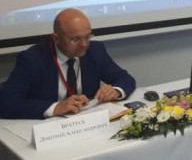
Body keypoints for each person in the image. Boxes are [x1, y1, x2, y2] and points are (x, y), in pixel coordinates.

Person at [0, 8, 136, 119]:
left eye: (88, 37)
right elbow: (5, 103)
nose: (84, 44)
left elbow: (126, 79)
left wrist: (116, 91)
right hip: (48, 129)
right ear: (56, 38)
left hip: (87, 123)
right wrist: (55, 108)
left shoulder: (95, 50)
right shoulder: (33, 59)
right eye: (75, 39)